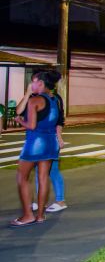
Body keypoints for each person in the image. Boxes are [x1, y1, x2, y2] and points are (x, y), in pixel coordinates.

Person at [10, 70, 63, 227]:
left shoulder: (35, 101)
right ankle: (40, 215)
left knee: (22, 177)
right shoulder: (55, 99)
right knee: (43, 178)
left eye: (33, 81)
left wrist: (20, 120)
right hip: (50, 142)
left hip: (35, 143)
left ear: (40, 83)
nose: (31, 84)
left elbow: (32, 125)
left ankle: (27, 215)